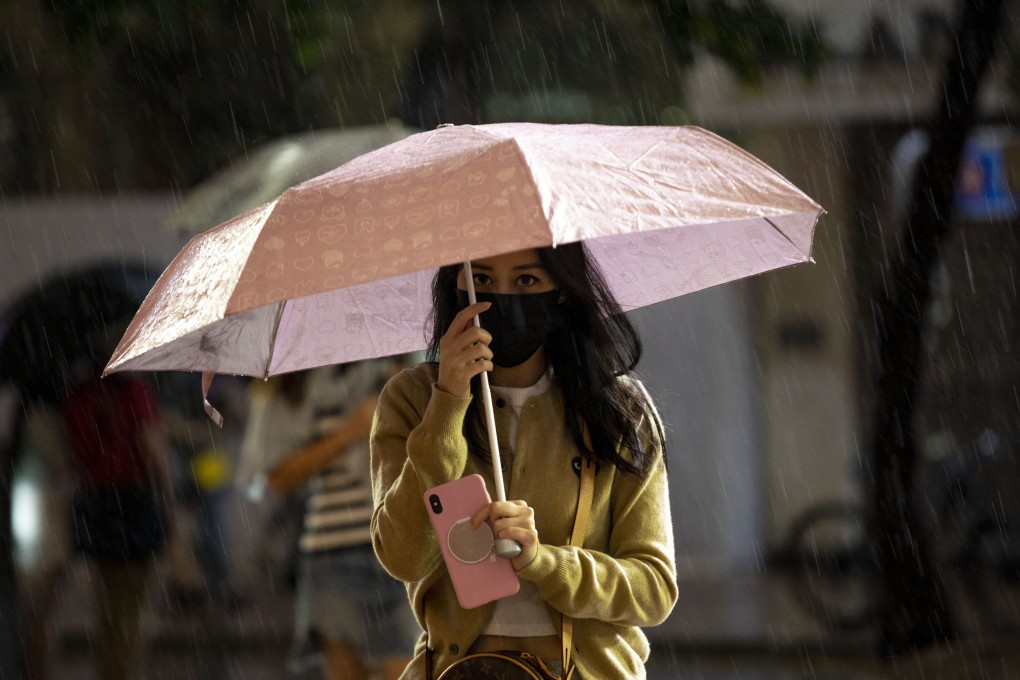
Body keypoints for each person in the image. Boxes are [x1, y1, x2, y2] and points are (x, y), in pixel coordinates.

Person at [370, 244, 678, 679]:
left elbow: (653, 589)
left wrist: (545, 563)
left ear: (562, 291)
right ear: (452, 283)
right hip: (458, 671)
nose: (501, 297)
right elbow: (403, 559)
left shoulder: (617, 409)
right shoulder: (411, 400)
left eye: (527, 280)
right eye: (480, 279)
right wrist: (448, 402)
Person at [265, 360, 418, 680]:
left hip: (400, 547)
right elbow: (277, 477)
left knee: (407, 670)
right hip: (331, 553)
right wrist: (348, 432)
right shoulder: (301, 382)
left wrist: (406, 404)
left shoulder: (404, 369)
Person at [60, 368, 174, 680]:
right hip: (131, 501)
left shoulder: (78, 393)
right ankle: (126, 671)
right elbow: (151, 448)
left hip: (95, 503)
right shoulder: (134, 390)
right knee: (133, 607)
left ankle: (109, 670)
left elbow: (71, 454)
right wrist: (169, 499)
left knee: (107, 605)